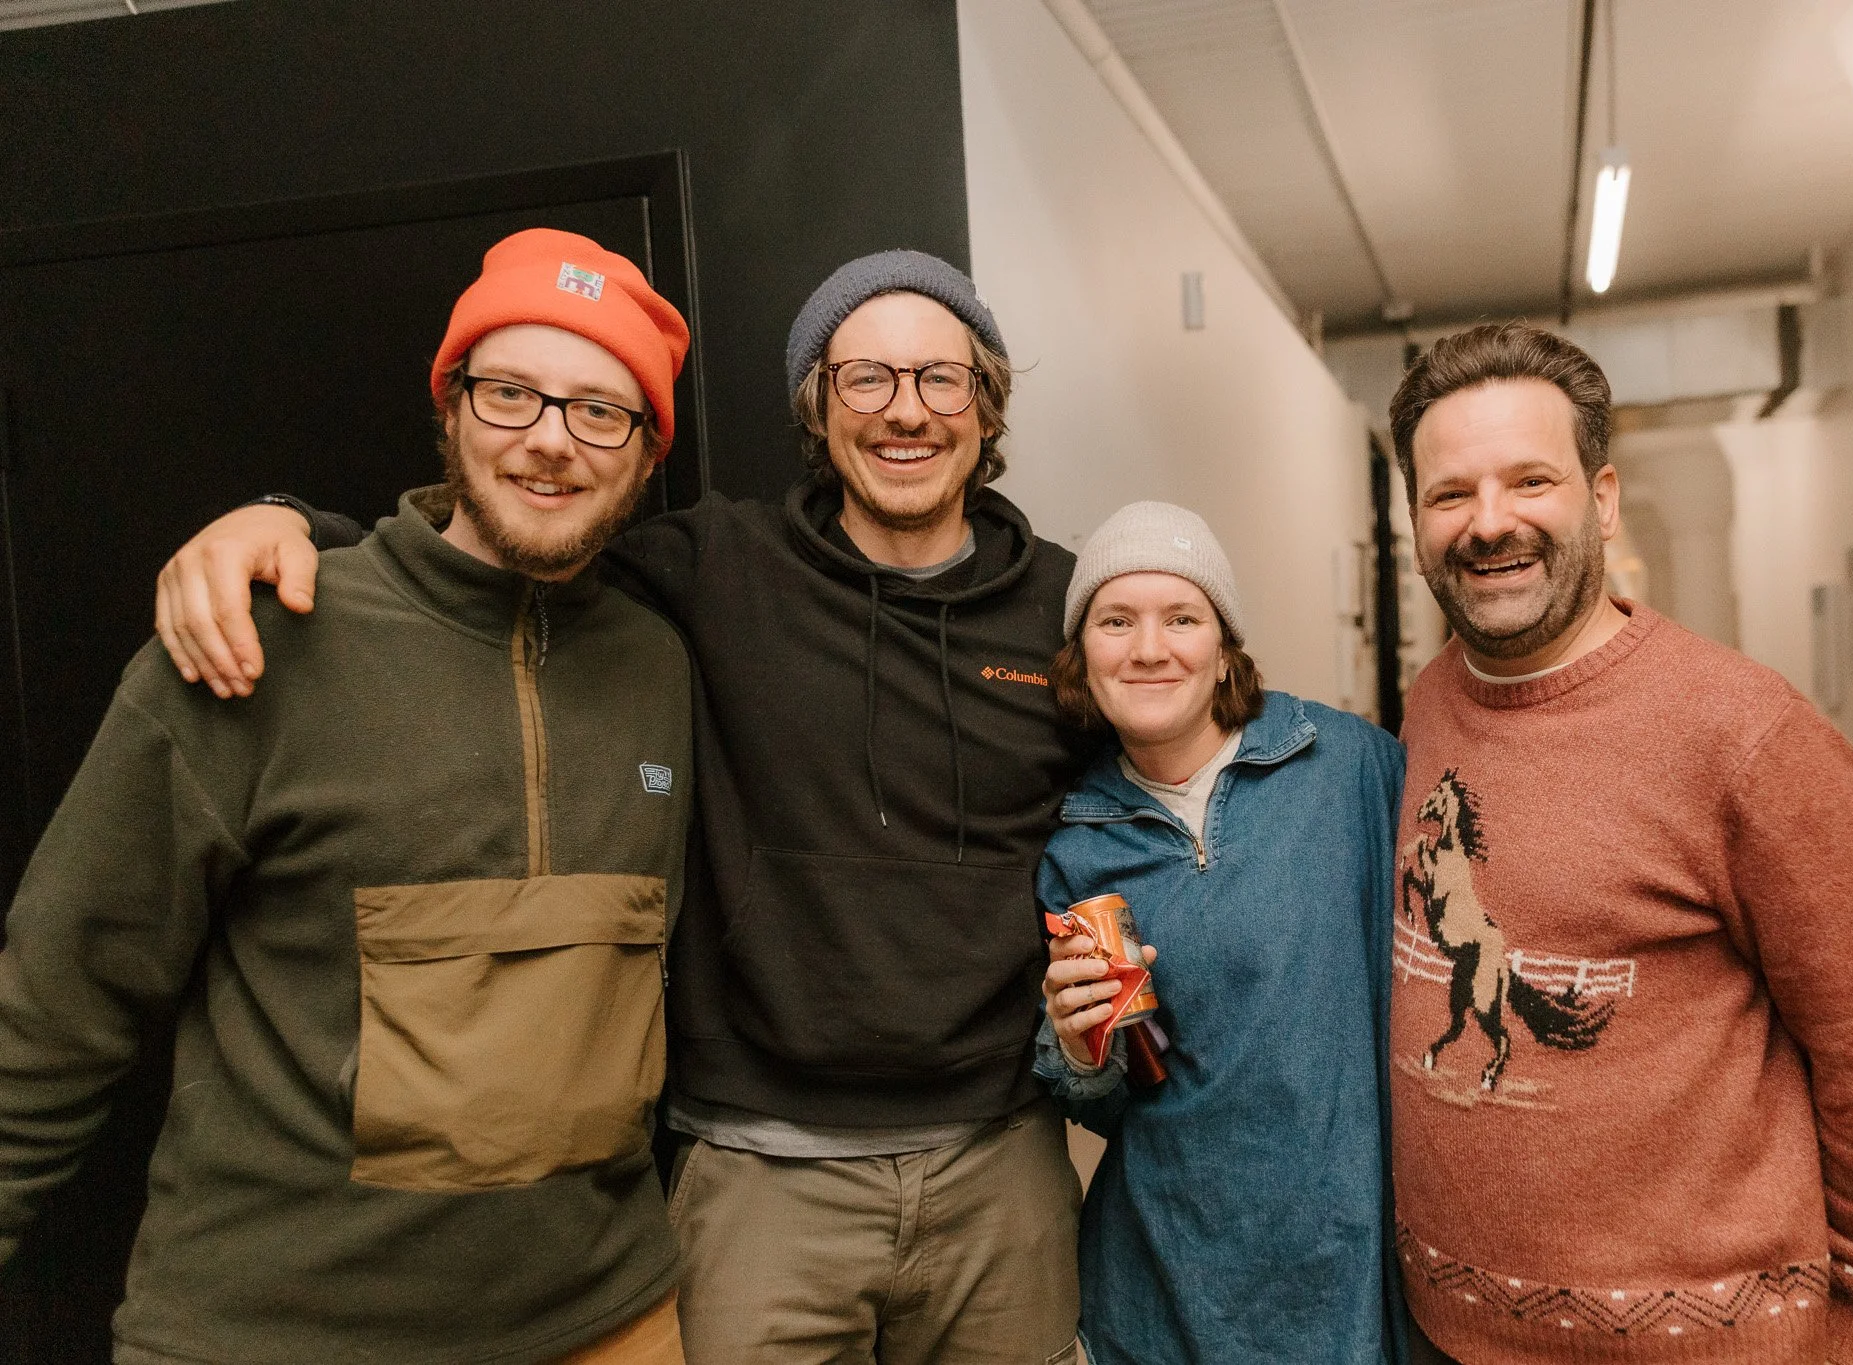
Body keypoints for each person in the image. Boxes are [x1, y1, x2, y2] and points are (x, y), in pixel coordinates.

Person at [150, 250, 1088, 1363]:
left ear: (986, 404)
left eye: (941, 378)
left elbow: (1180, 724)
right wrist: (289, 523)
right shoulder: (714, 566)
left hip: (1000, 1152)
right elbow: (507, 546)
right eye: (865, 378)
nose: (906, 411)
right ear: (817, 406)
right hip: (759, 1168)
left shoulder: (1065, 606)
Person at [0, 228, 694, 1362]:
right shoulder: (256, 639)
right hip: (283, 1331)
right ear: (451, 404)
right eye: (510, 393)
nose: (549, 438)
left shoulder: (660, 665)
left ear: (648, 449)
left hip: (607, 1319)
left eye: (599, 410)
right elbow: (55, 1001)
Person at [1383, 322, 1853, 1365]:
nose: (1488, 523)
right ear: (1414, 519)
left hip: (1697, 1344)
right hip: (1443, 1332)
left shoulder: (1746, 734)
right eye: (1450, 493)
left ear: (1600, 499)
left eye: (1530, 481)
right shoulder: (1429, 702)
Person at [1036, 501, 1408, 1365]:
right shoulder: (1077, 847)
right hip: (1166, 1277)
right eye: (1116, 621)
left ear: (1225, 645)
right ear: (1080, 654)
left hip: (1343, 1263)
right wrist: (1078, 1051)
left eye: (1182, 618)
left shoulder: (1346, 766)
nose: (1149, 648)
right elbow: (1103, 1105)